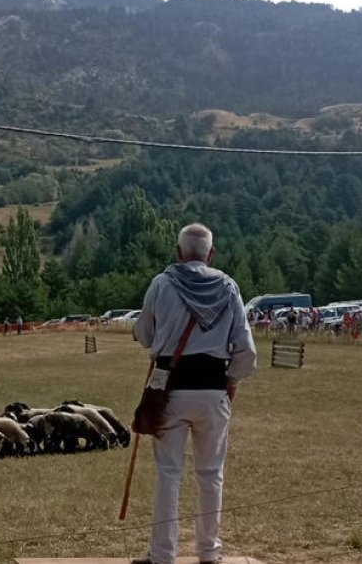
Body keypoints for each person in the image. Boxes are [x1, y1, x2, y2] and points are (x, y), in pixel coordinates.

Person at [131, 222, 257, 564]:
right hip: (214, 390)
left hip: (170, 391)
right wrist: (231, 381)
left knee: (168, 474)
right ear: (211, 254)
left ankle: (162, 556)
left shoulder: (161, 283)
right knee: (210, 474)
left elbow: (144, 334)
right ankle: (208, 553)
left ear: (178, 252)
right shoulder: (229, 287)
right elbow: (246, 351)